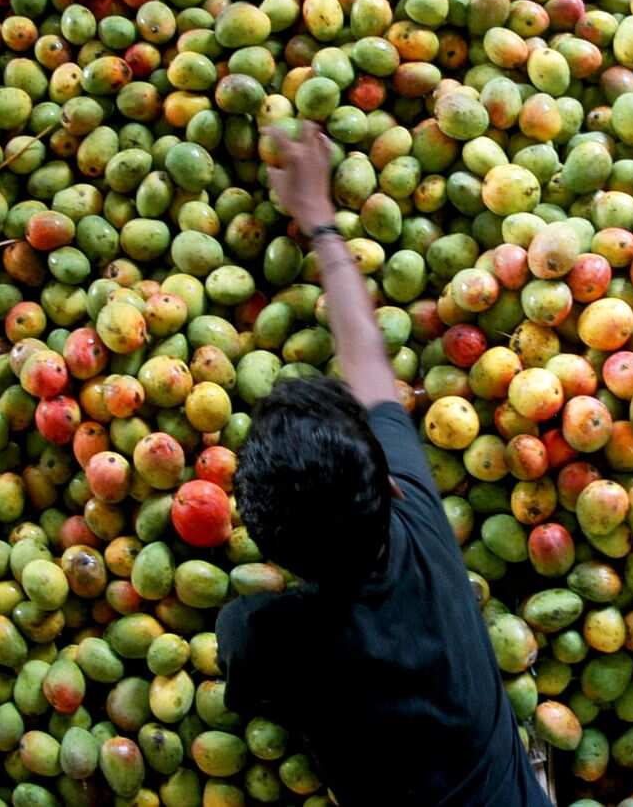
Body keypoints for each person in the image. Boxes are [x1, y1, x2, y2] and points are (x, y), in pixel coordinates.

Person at [217, 119, 553, 807]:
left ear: (273, 553)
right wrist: (321, 221)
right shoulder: (421, 523)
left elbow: (239, 662)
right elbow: (367, 354)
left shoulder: (269, 641)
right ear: (388, 488)